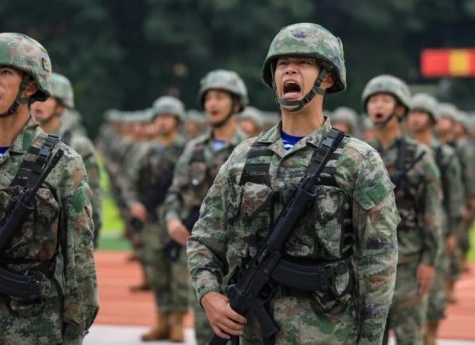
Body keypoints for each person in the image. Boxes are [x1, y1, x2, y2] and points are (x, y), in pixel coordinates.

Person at [187, 23, 400, 344]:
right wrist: (209, 296)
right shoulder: (243, 157)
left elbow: (378, 262)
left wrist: (370, 341)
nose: (290, 69)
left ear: (327, 78)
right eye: (282, 63)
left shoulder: (357, 160)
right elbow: (204, 240)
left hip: (330, 334)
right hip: (255, 334)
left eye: (303, 63)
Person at [0, 32, 98, 343]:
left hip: (36, 330)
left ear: (31, 86)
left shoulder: (63, 163)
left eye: (5, 72)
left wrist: (74, 333)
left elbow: (80, 264)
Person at [163, 69, 249, 344]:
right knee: (205, 330)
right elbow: (174, 193)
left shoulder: (250, 149)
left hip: (240, 258)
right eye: (209, 98)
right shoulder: (194, 149)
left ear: (236, 104)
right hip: (204, 256)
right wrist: (172, 219)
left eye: (220, 97)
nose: (212, 103)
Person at [361, 75, 443, 345]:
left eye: (385, 100)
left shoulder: (419, 156)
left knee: (410, 337)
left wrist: (429, 260)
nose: (378, 105)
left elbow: (431, 212)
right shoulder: (358, 154)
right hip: (367, 265)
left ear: (400, 109)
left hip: (407, 264)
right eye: (373, 100)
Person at [125, 96, 187, 342]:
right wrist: (134, 204)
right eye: (159, 117)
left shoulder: (186, 150)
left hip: (178, 221)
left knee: (179, 273)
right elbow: (131, 182)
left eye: (168, 117)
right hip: (152, 222)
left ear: (177, 121)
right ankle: (162, 320)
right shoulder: (146, 151)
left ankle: (177, 322)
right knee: (157, 272)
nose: (163, 122)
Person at [408, 93, 464, 345]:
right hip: (406, 230)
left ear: (432, 119)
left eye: (421, 113)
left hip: (437, 229)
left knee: (435, 286)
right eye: (413, 113)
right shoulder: (402, 152)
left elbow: (454, 196)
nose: (415, 118)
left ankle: (431, 334)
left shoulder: (444, 155)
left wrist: (452, 233)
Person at [31, 72, 104, 247]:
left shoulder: (78, 146)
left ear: (61, 107)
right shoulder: (20, 143)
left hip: (66, 238)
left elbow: (92, 194)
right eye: (35, 97)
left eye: (46, 98)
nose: (38, 103)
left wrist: (91, 236)